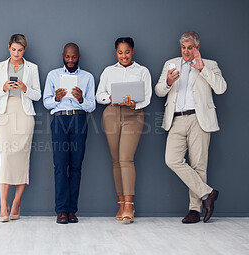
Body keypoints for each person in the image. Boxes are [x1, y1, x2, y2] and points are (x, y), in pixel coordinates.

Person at [155, 31, 227, 223]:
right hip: (176, 119)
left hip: (199, 118)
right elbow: (159, 90)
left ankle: (194, 210)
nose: (186, 51)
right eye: (183, 47)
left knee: (198, 165)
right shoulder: (170, 64)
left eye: (190, 48)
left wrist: (202, 69)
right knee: (172, 160)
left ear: (197, 48)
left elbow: (221, 88)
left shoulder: (210, 65)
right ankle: (208, 193)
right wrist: (169, 82)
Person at [96, 37, 152, 223]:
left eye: (127, 52)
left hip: (133, 115)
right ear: (116, 53)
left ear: (132, 51)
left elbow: (147, 98)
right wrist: (111, 98)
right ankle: (120, 204)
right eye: (120, 52)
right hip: (111, 114)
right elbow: (99, 95)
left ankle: (129, 205)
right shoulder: (109, 71)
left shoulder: (142, 71)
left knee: (126, 158)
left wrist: (134, 103)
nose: (123, 56)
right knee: (115, 161)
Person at [0, 34, 41, 222]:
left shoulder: (32, 68)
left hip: (24, 113)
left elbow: (37, 95)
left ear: (24, 50)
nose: (16, 53)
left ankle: (17, 202)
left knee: (22, 157)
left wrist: (25, 88)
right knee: (5, 156)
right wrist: (4, 87)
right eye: (13, 49)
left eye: (20, 50)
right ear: (8, 47)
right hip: (5, 112)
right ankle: (3, 205)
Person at [43, 43, 95, 224]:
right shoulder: (53, 75)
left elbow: (92, 106)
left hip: (79, 120)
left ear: (78, 56)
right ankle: (61, 210)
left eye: (73, 57)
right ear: (63, 56)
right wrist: (56, 98)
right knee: (60, 165)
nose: (70, 60)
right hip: (59, 120)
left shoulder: (87, 77)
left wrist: (81, 99)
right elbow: (46, 102)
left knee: (76, 165)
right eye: (67, 57)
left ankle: (72, 210)